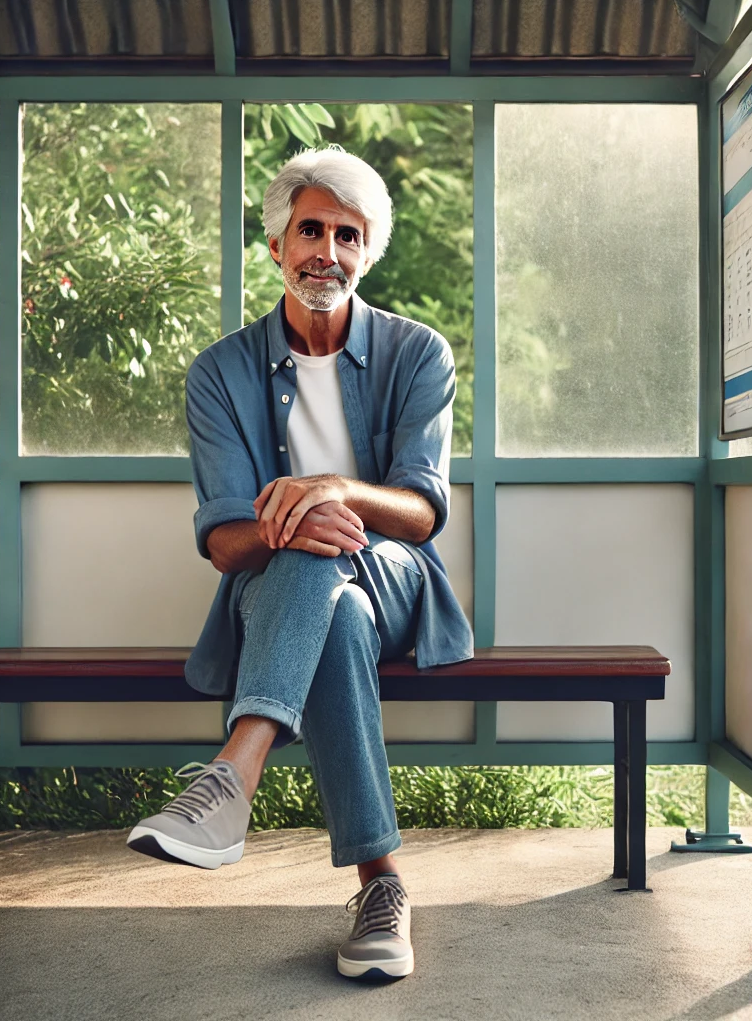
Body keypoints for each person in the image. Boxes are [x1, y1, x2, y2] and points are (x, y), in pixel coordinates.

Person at [125, 145, 474, 982]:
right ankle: (381, 888)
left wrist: (331, 493)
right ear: (277, 246)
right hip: (276, 595)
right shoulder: (219, 373)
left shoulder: (418, 353)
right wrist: (298, 524)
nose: (328, 251)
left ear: (366, 252)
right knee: (331, 601)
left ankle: (232, 780)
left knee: (337, 556)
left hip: (395, 582)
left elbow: (422, 513)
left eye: (348, 235)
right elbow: (224, 540)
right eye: (310, 229)